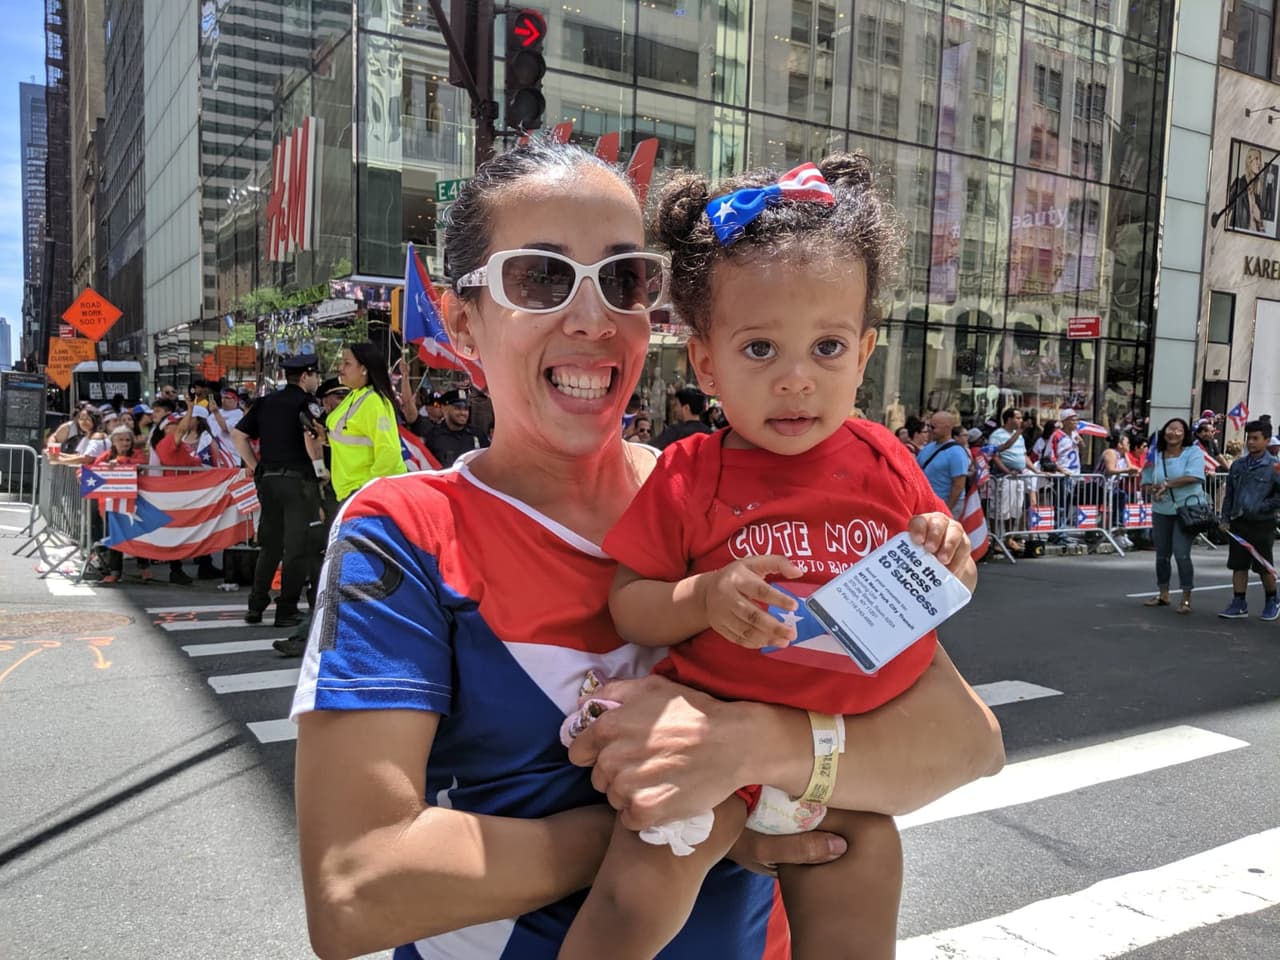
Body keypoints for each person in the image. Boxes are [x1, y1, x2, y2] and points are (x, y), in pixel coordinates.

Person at [290, 140, 1003, 960]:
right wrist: (695, 821)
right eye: (541, 278)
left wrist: (748, 751)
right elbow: (355, 891)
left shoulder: (745, 500)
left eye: (623, 279)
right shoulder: (404, 532)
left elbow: (966, 742)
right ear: (461, 322)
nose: (592, 319)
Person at [560, 154, 986, 960]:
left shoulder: (883, 457)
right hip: (707, 749)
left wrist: (948, 552)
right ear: (706, 363)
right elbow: (630, 601)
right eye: (760, 350)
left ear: (864, 354)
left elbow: (942, 563)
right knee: (634, 899)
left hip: (851, 759)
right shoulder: (691, 471)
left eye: (826, 347)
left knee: (859, 913)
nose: (796, 380)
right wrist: (703, 598)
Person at [232, 354, 324, 629]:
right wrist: (320, 471)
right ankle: (286, 610)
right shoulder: (307, 403)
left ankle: (256, 605)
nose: (317, 380)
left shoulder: (264, 402)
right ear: (305, 376)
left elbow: (238, 435)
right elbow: (311, 438)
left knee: (270, 546)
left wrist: (255, 466)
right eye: (316, 375)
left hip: (269, 481)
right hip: (298, 482)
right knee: (296, 548)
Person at [1140, 417, 1205, 614]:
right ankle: (1163, 593)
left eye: (1178, 430)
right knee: (1162, 555)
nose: (1173, 433)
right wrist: (1153, 490)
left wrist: (1167, 485)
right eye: (1170, 429)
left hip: (1187, 510)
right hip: (1161, 511)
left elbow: (1194, 476)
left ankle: (1186, 597)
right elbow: (1145, 484)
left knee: (1181, 553)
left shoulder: (1193, 452)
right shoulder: (1155, 455)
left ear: (1185, 434)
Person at [1217, 419, 1280, 621]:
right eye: (1248, 438)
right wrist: (1225, 517)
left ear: (1267, 440)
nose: (1251, 442)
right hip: (1238, 520)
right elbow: (1230, 494)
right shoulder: (1238, 465)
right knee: (1238, 563)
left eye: (1256, 438)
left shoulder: (1275, 466)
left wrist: (1263, 506)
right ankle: (1239, 602)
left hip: (1262, 522)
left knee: (1263, 564)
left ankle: (1272, 599)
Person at [90, 426, 150, 584]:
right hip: (111, 503)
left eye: (128, 440)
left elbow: (142, 464)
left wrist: (122, 461)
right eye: (121, 440)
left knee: (137, 534)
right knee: (115, 535)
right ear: (113, 441)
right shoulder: (106, 455)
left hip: (134, 502)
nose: (125, 443)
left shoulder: (137, 454)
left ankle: (144, 567)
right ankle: (115, 572)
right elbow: (94, 470)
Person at [916, 410, 969, 518]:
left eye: (933, 427)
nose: (929, 430)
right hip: (927, 505)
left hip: (946, 505)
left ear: (947, 428)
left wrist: (946, 510)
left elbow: (958, 485)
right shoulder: (927, 448)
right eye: (928, 426)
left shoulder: (957, 452)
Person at [424, 387, 490, 468]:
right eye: (458, 408)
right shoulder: (433, 437)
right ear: (444, 409)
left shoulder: (478, 434)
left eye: (466, 409)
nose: (463, 413)